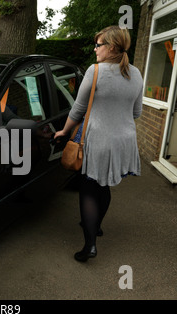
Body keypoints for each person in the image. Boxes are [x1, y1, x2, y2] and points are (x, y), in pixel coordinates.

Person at [54, 26, 143, 262]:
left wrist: (63, 131)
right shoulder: (136, 73)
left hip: (99, 140)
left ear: (111, 47)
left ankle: (89, 245)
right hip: (124, 141)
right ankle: (97, 227)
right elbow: (137, 112)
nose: (95, 49)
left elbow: (79, 109)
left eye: (98, 44)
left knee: (89, 189)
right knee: (104, 185)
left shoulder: (95, 72)